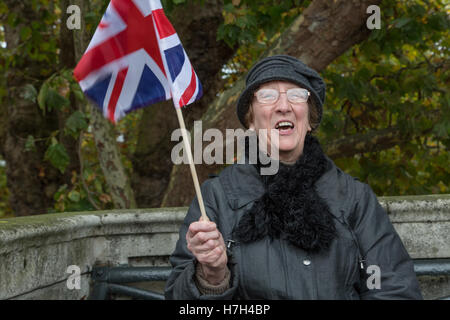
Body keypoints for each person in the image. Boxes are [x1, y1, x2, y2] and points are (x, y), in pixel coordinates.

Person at [164, 55, 423, 299]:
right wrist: (212, 276)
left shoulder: (354, 197)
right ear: (251, 120)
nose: (284, 106)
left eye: (297, 95)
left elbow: (394, 287)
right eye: (267, 95)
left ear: (309, 119)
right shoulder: (216, 196)